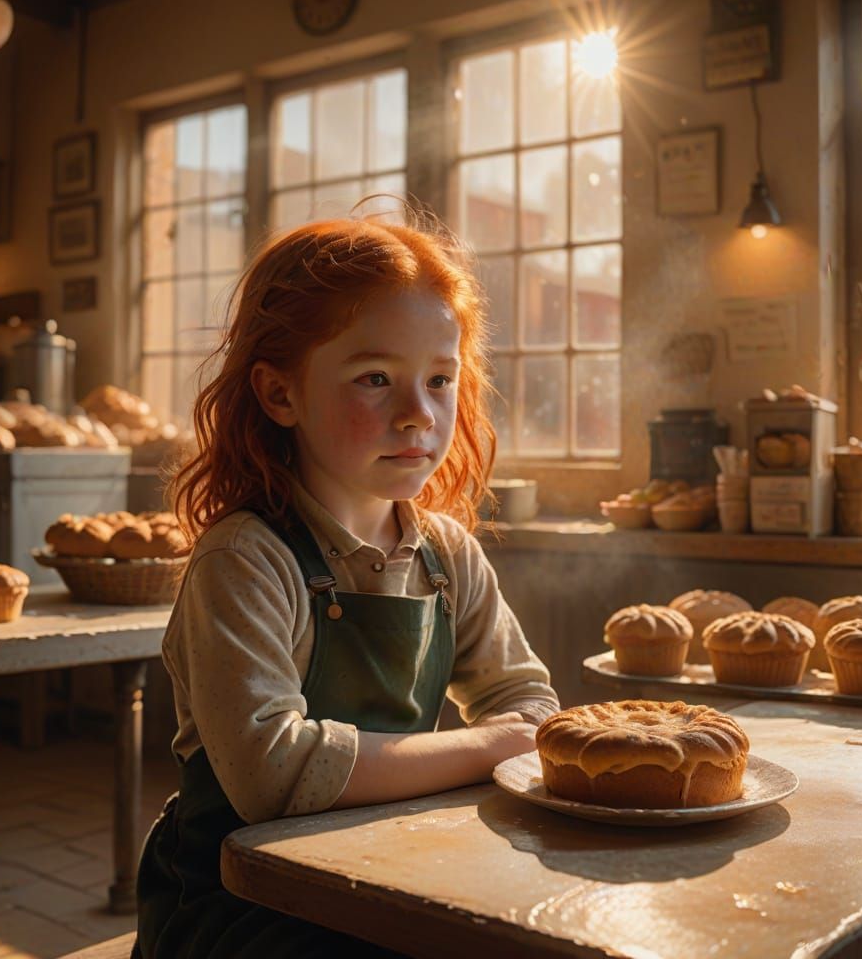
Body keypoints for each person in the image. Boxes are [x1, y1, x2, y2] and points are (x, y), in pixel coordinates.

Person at [133, 206, 560, 958]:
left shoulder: (448, 555)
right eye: (375, 379)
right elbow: (274, 773)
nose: (417, 414)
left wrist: (508, 732)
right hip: (236, 903)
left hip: (382, 871)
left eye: (440, 379)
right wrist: (492, 743)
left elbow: (528, 702)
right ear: (280, 394)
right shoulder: (245, 560)